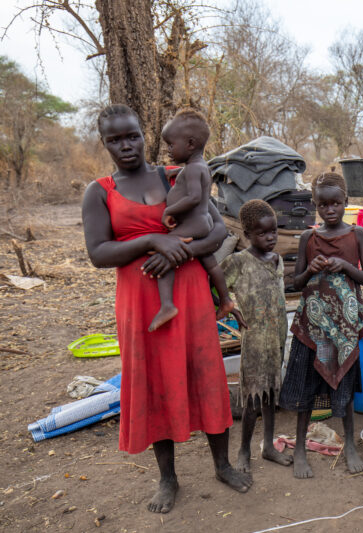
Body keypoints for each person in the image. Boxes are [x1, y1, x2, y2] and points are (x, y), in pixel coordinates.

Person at [82, 104, 251, 514]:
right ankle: (168, 478)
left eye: (132, 136)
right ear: (104, 144)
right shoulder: (99, 191)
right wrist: (152, 242)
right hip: (142, 303)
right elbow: (99, 253)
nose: (126, 146)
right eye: (115, 140)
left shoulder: (175, 175)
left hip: (189, 295)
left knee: (205, 374)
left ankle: (222, 465)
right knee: (156, 382)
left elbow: (216, 230)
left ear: (144, 134)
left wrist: (177, 253)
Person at [279, 172, 363, 478]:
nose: (329, 210)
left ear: (346, 202)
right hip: (314, 327)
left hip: (344, 329)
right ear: (315, 205)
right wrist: (311, 270)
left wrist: (346, 266)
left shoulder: (357, 235)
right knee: (306, 386)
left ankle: (350, 446)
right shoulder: (308, 238)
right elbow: (295, 282)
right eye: (323, 205)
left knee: (344, 386)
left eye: (335, 203)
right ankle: (302, 451)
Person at [220, 199, 293, 472]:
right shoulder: (238, 262)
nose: (271, 237)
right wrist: (231, 308)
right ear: (247, 235)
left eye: (273, 231)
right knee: (252, 399)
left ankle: (269, 447)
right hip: (255, 340)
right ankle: (243, 451)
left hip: (276, 339)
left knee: (271, 395)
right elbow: (213, 285)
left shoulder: (277, 260)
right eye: (262, 233)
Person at [149, 109, 234, 331]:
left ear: (190, 144)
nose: (168, 149)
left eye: (170, 145)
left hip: (192, 224)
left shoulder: (193, 169)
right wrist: (176, 172)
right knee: (210, 263)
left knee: (165, 252)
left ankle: (167, 305)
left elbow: (195, 196)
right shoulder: (197, 166)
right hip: (202, 223)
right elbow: (193, 176)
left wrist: (170, 211)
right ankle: (225, 299)